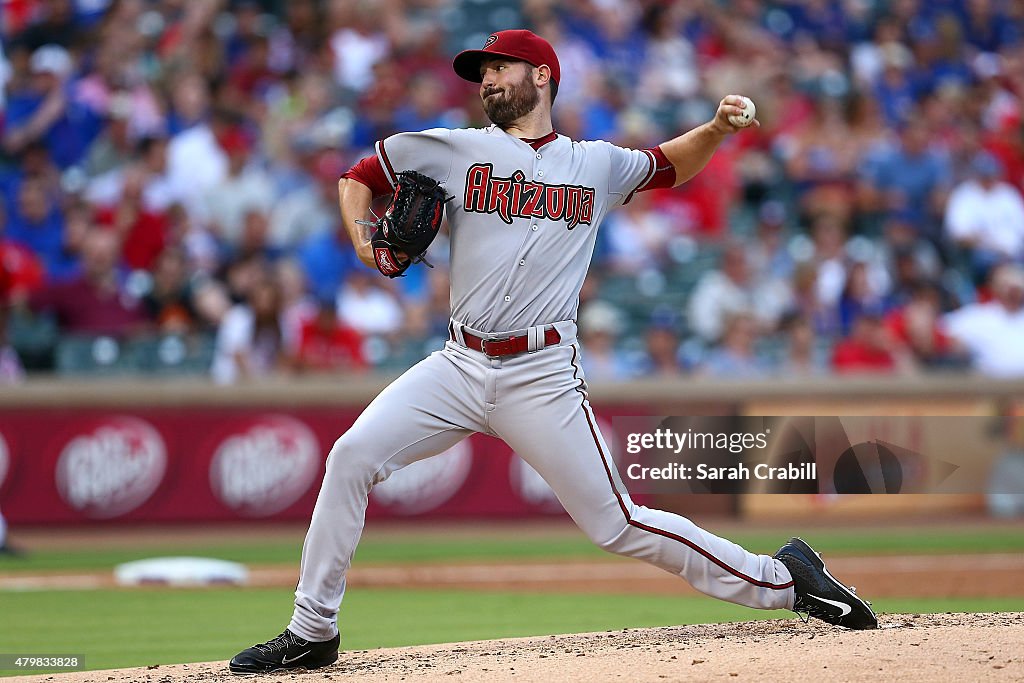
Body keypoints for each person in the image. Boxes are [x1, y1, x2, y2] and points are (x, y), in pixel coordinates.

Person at [230, 29, 876, 675]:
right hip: (458, 362)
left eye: (500, 68)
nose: (486, 80)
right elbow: (359, 177)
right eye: (481, 72)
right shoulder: (452, 148)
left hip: (540, 372)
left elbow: (666, 163)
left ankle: (783, 577)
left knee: (616, 523)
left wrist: (714, 128)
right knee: (351, 456)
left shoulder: (594, 163)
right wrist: (367, 244)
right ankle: (313, 629)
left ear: (542, 76)